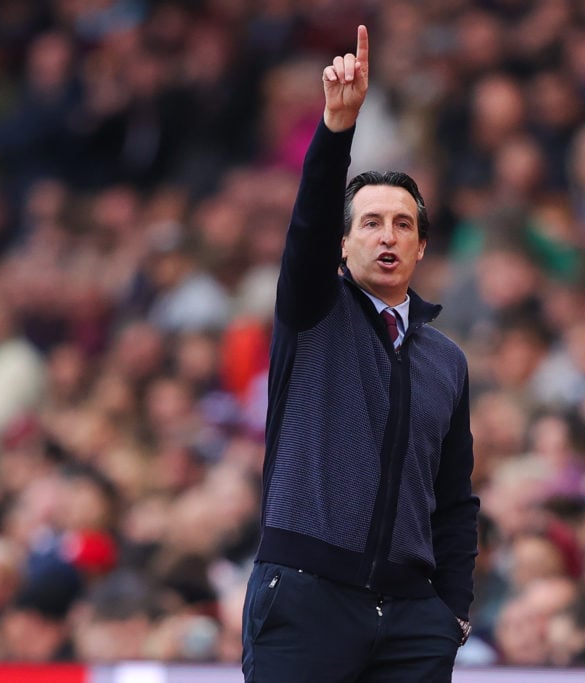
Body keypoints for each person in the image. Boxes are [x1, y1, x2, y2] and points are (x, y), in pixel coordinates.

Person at [241, 25, 479, 682]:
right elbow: (310, 223)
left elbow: (454, 499)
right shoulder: (312, 312)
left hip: (410, 617)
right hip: (307, 594)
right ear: (344, 245)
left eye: (404, 223)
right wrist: (336, 130)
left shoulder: (447, 361)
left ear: (423, 247)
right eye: (370, 222)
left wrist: (450, 613)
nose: (387, 235)